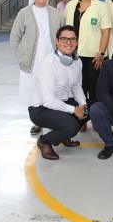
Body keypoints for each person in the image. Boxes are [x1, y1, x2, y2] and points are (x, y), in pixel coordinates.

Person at [10, 0, 65, 136]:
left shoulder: (56, 13)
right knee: (33, 93)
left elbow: (64, 35)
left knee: (51, 91)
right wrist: (21, 57)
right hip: (31, 62)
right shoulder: (24, 13)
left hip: (51, 59)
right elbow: (15, 37)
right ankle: (37, 122)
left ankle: (53, 121)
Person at [28, 26, 88, 160]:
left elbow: (77, 86)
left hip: (61, 103)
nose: (69, 42)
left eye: (72, 39)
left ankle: (63, 135)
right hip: (40, 109)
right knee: (71, 127)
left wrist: (83, 104)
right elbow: (48, 101)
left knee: (91, 108)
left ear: (77, 42)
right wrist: (73, 110)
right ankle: (44, 141)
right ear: (57, 41)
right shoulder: (49, 64)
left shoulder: (77, 61)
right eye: (64, 39)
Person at [64, 0, 111, 122]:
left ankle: (97, 119)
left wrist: (101, 53)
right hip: (73, 56)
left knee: (94, 89)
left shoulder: (101, 7)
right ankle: (82, 119)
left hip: (93, 57)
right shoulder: (71, 5)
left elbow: (105, 32)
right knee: (78, 89)